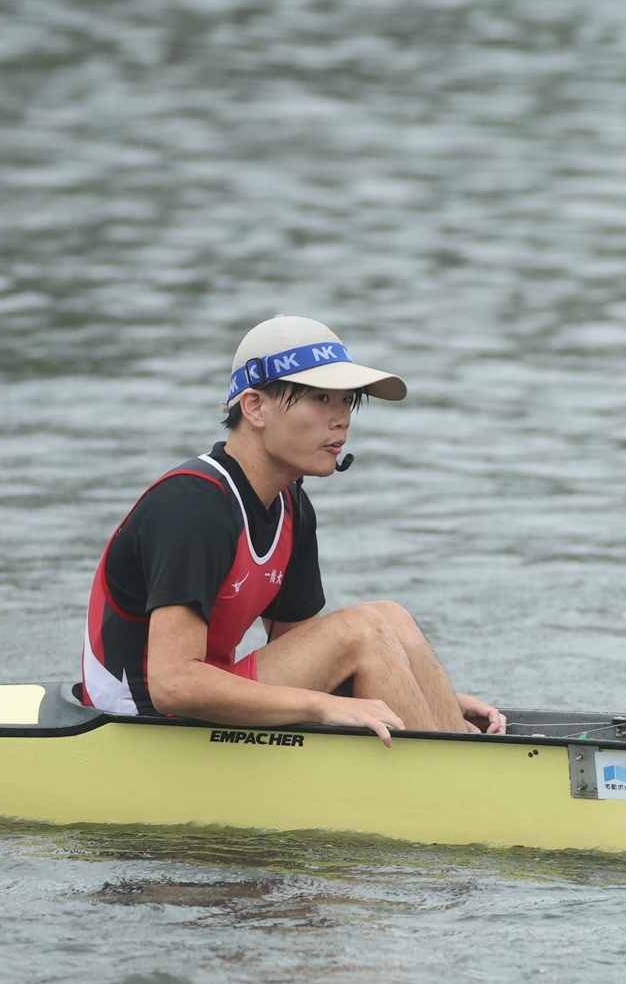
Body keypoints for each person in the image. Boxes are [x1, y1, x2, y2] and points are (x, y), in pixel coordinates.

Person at [82, 316, 504, 744]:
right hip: (139, 724)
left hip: (202, 706)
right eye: (321, 398)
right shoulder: (193, 505)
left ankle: (454, 749)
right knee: (361, 631)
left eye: (347, 400)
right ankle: (444, 775)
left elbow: (309, 652)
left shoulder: (291, 505)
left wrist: (423, 691)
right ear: (254, 407)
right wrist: (324, 706)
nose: (342, 419)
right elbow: (173, 685)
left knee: (390, 617)